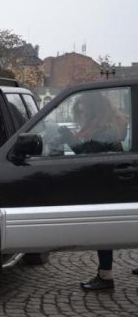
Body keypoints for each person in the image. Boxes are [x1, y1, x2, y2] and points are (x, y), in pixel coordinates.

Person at [59, 92, 128, 291]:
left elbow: (89, 153)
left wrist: (69, 139)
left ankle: (105, 277)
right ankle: (104, 275)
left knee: (105, 231)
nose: (82, 115)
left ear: (94, 109)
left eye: (84, 110)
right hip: (111, 183)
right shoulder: (103, 125)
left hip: (109, 184)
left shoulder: (104, 129)